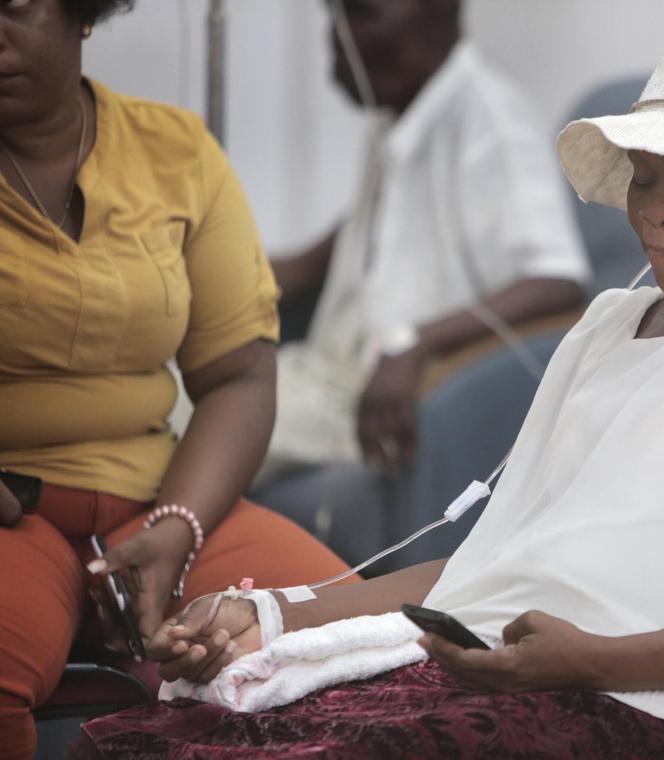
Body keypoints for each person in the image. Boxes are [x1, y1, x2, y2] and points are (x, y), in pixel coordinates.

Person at [79, 28, 664, 759]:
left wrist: (593, 661)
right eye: (645, 180)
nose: (658, 212)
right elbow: (496, 562)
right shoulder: (609, 326)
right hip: (522, 676)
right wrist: (272, 613)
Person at [0, 2, 357, 757]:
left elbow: (237, 377)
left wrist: (176, 529)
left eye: (13, 7)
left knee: (355, 644)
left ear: (81, 15)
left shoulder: (174, 151)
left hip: (160, 503)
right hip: (11, 512)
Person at [253, 0, 592, 561]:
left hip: (376, 396)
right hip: (320, 372)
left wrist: (414, 345)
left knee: (190, 423)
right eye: (333, 16)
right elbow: (365, 235)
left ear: (437, 16)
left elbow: (558, 279)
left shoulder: (490, 121)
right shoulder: (401, 117)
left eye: (362, 15)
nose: (336, 37)